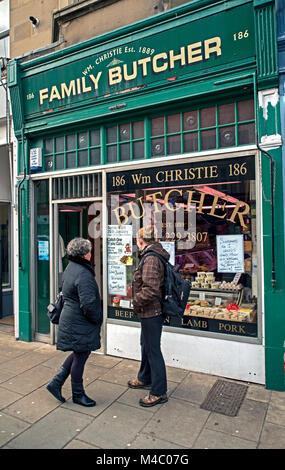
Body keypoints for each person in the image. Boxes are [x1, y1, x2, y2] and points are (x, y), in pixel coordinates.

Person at [46, 237, 102, 407]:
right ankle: (78, 394)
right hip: (79, 321)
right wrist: (97, 319)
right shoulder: (83, 273)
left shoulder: (72, 267)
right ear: (85, 254)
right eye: (90, 251)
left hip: (71, 318)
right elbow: (89, 304)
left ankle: (56, 383)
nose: (91, 253)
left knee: (79, 352)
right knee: (81, 355)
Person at [128, 225, 169, 407]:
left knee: (153, 350)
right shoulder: (150, 255)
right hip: (148, 312)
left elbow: (151, 289)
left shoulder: (151, 258)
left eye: (137, 239)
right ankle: (144, 377)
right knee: (145, 346)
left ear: (141, 240)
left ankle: (158, 392)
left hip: (151, 311)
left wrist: (135, 301)